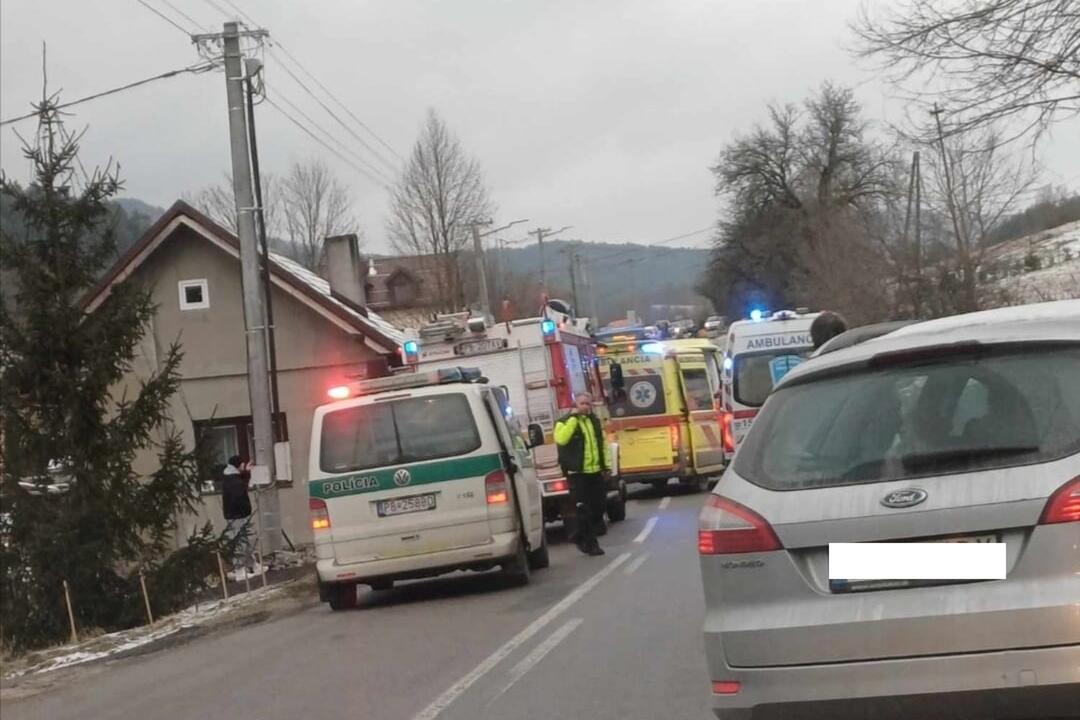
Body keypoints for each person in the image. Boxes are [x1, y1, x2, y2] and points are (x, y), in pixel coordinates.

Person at [554, 392, 610, 557]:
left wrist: (606, 465)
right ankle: (591, 545)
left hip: (595, 471)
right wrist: (573, 419)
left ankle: (577, 535)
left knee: (599, 507)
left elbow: (602, 444)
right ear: (575, 405)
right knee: (584, 510)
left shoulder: (594, 421)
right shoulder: (564, 422)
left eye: (588, 404)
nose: (585, 407)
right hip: (577, 473)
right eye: (582, 404)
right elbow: (561, 439)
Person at [221, 455, 254, 574]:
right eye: (242, 464)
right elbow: (240, 494)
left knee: (244, 540)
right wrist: (246, 511)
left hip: (235, 514)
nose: (244, 465)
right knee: (240, 541)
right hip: (237, 515)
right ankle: (240, 569)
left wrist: (246, 472)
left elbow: (240, 480)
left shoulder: (231, 476)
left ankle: (251, 565)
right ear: (238, 465)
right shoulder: (234, 481)